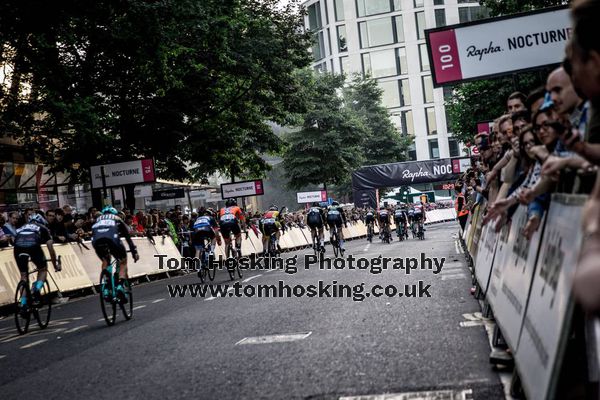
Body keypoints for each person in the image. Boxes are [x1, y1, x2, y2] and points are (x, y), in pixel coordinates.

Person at [91, 206, 139, 303]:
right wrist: (134, 252)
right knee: (123, 262)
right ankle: (120, 285)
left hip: (97, 241)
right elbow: (128, 238)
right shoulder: (117, 219)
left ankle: (106, 286)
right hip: (112, 239)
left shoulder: (97, 220)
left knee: (105, 260)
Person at [14, 213, 60, 308]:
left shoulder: (22, 227)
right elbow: (50, 249)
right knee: (43, 269)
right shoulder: (43, 228)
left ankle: (23, 303)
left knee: (23, 275)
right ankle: (36, 290)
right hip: (33, 246)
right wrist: (55, 265)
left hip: (18, 247)